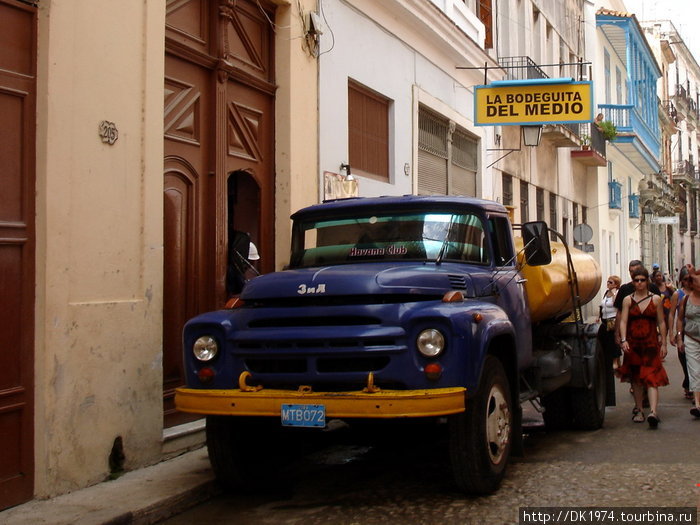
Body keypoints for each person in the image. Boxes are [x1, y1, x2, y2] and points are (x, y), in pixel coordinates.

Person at [617, 267, 669, 428]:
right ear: (633, 282)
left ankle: (653, 412)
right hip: (633, 343)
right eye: (636, 280)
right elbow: (623, 321)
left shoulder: (656, 300)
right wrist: (623, 339)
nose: (639, 283)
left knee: (652, 377)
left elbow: (661, 321)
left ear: (647, 281)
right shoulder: (627, 300)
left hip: (651, 343)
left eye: (642, 280)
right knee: (636, 379)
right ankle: (639, 410)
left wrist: (664, 342)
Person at [675, 265, 700, 418]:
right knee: (694, 371)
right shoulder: (685, 299)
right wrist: (679, 337)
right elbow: (679, 319)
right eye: (697, 281)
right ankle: (698, 404)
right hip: (691, 338)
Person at [668, 266, 692, 399]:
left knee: (695, 362)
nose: (688, 282)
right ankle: (688, 383)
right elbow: (672, 314)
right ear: (681, 281)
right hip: (682, 332)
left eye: (690, 279)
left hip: (695, 333)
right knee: (684, 360)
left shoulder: (697, 292)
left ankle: (693, 388)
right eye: (685, 280)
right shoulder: (678, 294)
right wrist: (671, 333)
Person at [598, 275, 622, 405]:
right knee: (607, 342)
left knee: (614, 341)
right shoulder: (606, 293)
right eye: (608, 282)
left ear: (616, 284)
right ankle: (614, 360)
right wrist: (599, 316)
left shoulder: (616, 294)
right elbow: (602, 306)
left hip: (613, 321)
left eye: (611, 282)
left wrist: (613, 294)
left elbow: (617, 306)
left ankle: (616, 361)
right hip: (605, 321)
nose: (608, 284)